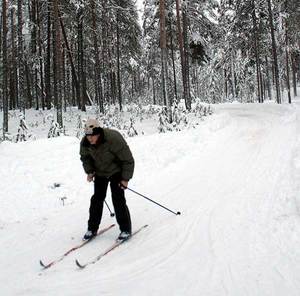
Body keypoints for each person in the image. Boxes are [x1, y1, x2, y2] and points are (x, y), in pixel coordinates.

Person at [79, 118, 134, 241]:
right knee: (97, 199)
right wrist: (90, 171)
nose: (90, 139)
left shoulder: (113, 138)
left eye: (93, 136)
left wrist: (125, 179)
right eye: (88, 136)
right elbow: (85, 158)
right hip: (100, 172)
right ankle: (92, 228)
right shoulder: (85, 142)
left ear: (99, 133)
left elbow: (128, 160)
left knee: (118, 199)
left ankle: (125, 229)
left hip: (116, 171)